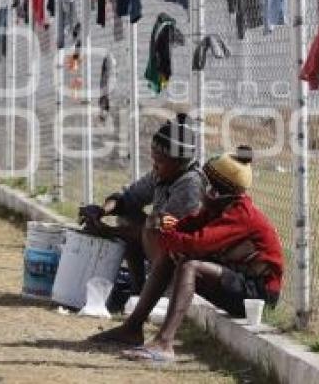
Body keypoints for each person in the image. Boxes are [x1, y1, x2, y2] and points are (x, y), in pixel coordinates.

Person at [90, 146, 284, 364]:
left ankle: (164, 343)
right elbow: (187, 227)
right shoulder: (217, 207)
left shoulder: (240, 215)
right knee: (171, 256)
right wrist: (165, 228)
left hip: (256, 292)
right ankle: (132, 328)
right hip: (237, 279)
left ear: (219, 191)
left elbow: (196, 243)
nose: (203, 189)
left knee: (189, 265)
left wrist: (162, 234)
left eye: (208, 184)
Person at [78, 113, 206, 294]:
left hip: (182, 258)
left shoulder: (190, 185)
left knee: (151, 225)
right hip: (161, 246)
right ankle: (138, 290)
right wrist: (101, 211)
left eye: (159, 162)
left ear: (179, 162)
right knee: (127, 215)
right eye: (154, 160)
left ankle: (157, 292)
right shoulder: (164, 173)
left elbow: (160, 233)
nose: (154, 166)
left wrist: (107, 231)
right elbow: (127, 199)